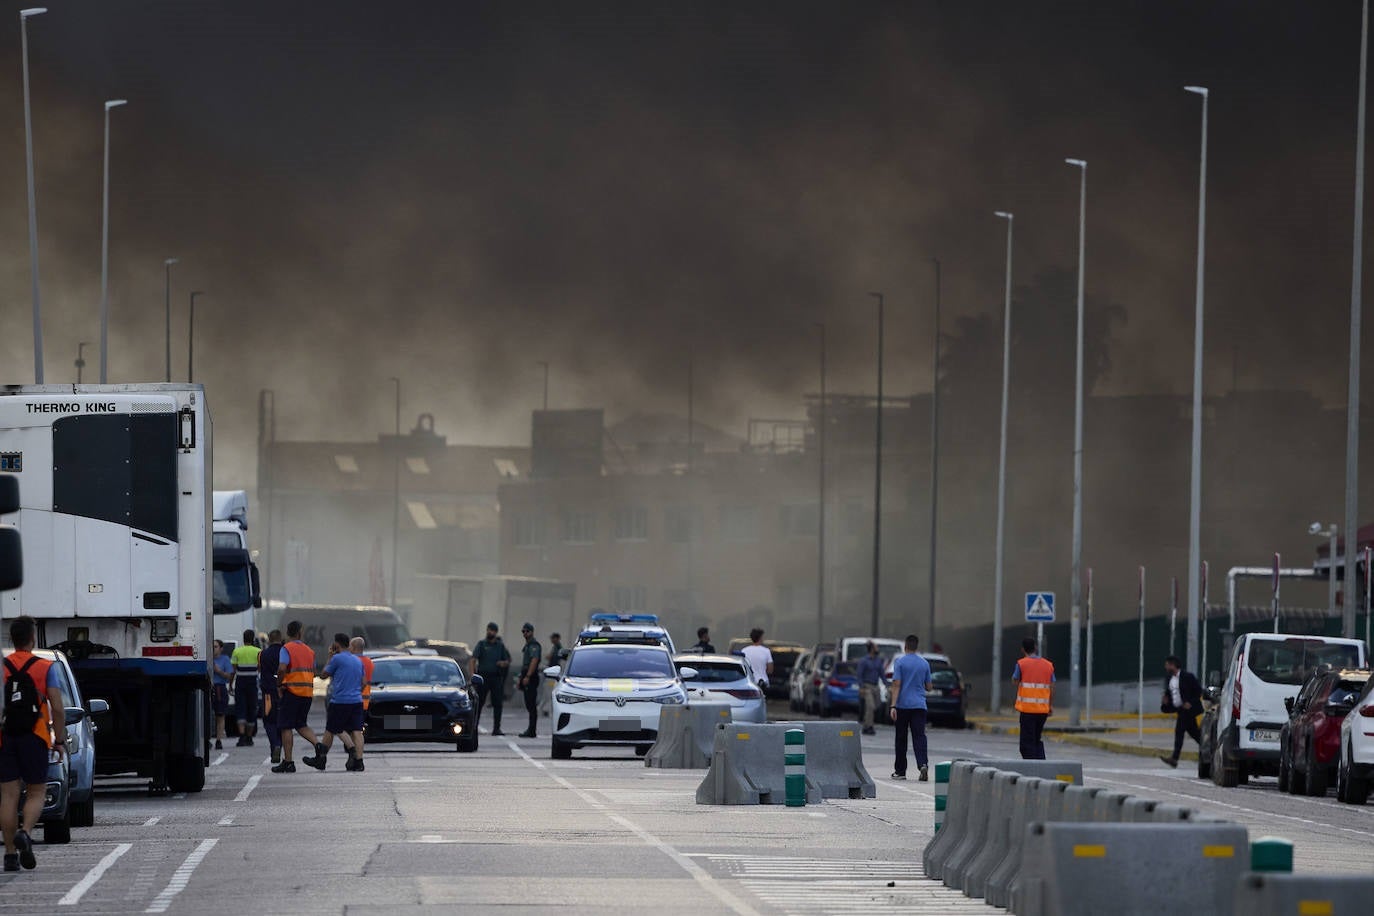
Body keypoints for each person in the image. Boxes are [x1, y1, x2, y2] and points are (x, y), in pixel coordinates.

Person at [1, 616, 66, 872]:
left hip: (5, 736)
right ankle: (25, 832)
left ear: (12, 639)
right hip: (35, 735)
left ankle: (8, 855)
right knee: (37, 791)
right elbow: (58, 709)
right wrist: (58, 740)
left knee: (8, 795)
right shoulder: (45, 667)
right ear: (32, 638)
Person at [272, 620, 324, 774]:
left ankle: (288, 762)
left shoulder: (286, 648)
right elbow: (313, 671)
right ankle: (319, 746)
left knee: (285, 726)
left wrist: (279, 683)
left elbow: (282, 668)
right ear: (300, 632)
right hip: (307, 693)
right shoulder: (310, 651)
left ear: (288, 633)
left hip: (292, 692)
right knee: (301, 724)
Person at [307, 633, 365, 772]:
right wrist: (354, 691)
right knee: (356, 731)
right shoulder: (358, 660)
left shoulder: (337, 659)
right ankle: (359, 761)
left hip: (340, 701)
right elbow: (363, 683)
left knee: (334, 729)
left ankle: (348, 752)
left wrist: (329, 657)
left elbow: (323, 675)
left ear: (337, 645)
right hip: (356, 701)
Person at [888, 634, 933, 781]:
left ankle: (900, 771)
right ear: (916, 646)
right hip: (920, 705)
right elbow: (929, 687)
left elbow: (896, 684)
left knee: (901, 738)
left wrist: (893, 705)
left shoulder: (900, 662)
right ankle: (923, 764)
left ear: (905, 646)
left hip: (903, 706)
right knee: (919, 736)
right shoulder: (924, 663)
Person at [1012, 636, 1055, 760]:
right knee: (1036, 740)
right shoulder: (1048, 665)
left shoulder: (1021, 664)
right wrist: (1050, 706)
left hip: (1027, 711)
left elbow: (1015, 680)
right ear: (1035, 647)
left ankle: (1033, 768)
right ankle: (1041, 763)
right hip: (1042, 711)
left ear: (1022, 649)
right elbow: (1052, 687)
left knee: (1026, 744)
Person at [1159, 655, 1203, 768]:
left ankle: (1174, 758)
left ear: (1173, 665)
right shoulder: (1169, 679)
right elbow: (1170, 695)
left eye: (1167, 665)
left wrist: (1190, 702)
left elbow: (1198, 691)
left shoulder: (1187, 676)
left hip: (1188, 710)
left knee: (1179, 731)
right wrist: (1166, 702)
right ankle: (1209, 749)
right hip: (1179, 710)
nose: (1166, 667)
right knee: (1195, 734)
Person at [470, 622, 511, 735]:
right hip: (483, 677)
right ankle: (474, 727)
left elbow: (507, 661)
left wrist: (503, 663)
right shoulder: (482, 644)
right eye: (488, 630)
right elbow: (473, 659)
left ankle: (496, 728)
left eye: (492, 630)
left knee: (497, 703)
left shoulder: (500, 646)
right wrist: (473, 674)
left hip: (496, 677)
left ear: (495, 632)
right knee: (479, 702)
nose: (489, 632)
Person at [230, 629, 261, 747]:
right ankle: (249, 737)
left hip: (240, 684)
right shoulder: (258, 651)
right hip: (252, 684)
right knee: (252, 709)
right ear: (253, 639)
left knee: (240, 709)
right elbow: (260, 668)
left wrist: (230, 685)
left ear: (243, 639)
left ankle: (242, 737)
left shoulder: (237, 651)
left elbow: (233, 671)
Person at [259, 628, 284, 764]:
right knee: (282, 720)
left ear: (269, 639)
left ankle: (274, 744)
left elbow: (261, 670)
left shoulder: (263, 654)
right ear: (280, 638)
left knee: (269, 720)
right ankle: (280, 744)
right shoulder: (285, 652)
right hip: (283, 693)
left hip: (268, 693)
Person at [517, 623, 542, 738]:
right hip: (526, 674)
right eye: (523, 631)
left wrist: (528, 676)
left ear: (531, 632)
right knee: (528, 703)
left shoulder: (534, 645)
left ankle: (532, 730)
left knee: (531, 704)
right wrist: (521, 678)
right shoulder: (527, 645)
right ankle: (531, 729)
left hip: (530, 676)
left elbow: (534, 660)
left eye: (526, 631)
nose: (524, 634)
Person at [856, 641, 885, 736]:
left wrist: (887, 685)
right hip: (867, 686)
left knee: (877, 706)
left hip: (875, 687)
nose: (878, 649)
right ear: (872, 649)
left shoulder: (878, 661)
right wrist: (861, 687)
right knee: (870, 706)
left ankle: (867, 723)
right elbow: (859, 675)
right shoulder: (864, 661)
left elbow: (882, 674)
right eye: (876, 647)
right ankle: (868, 726)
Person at [211, 640, 234, 750]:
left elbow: (229, 676)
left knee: (220, 715)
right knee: (209, 715)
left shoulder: (225, 659)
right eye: (212, 647)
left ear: (221, 648)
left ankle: (219, 739)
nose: (213, 649)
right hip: (210, 687)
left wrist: (218, 671)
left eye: (215, 646)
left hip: (220, 687)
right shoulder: (208, 659)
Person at [539, 633, 563, 717]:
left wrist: (549, 657)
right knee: (547, 692)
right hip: (552, 672)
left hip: (553, 674)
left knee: (549, 692)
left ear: (557, 638)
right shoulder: (555, 647)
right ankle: (543, 709)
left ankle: (545, 710)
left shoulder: (558, 648)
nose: (551, 640)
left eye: (553, 638)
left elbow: (555, 660)